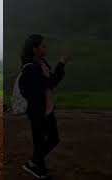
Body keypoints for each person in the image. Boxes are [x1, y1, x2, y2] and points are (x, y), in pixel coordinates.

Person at [19, 34, 68, 179]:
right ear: (35, 49)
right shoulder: (30, 69)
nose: (45, 48)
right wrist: (61, 63)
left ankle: (34, 163)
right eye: (43, 46)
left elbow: (50, 81)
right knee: (43, 140)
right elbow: (50, 82)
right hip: (38, 112)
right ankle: (37, 167)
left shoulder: (42, 63)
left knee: (52, 139)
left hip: (47, 108)